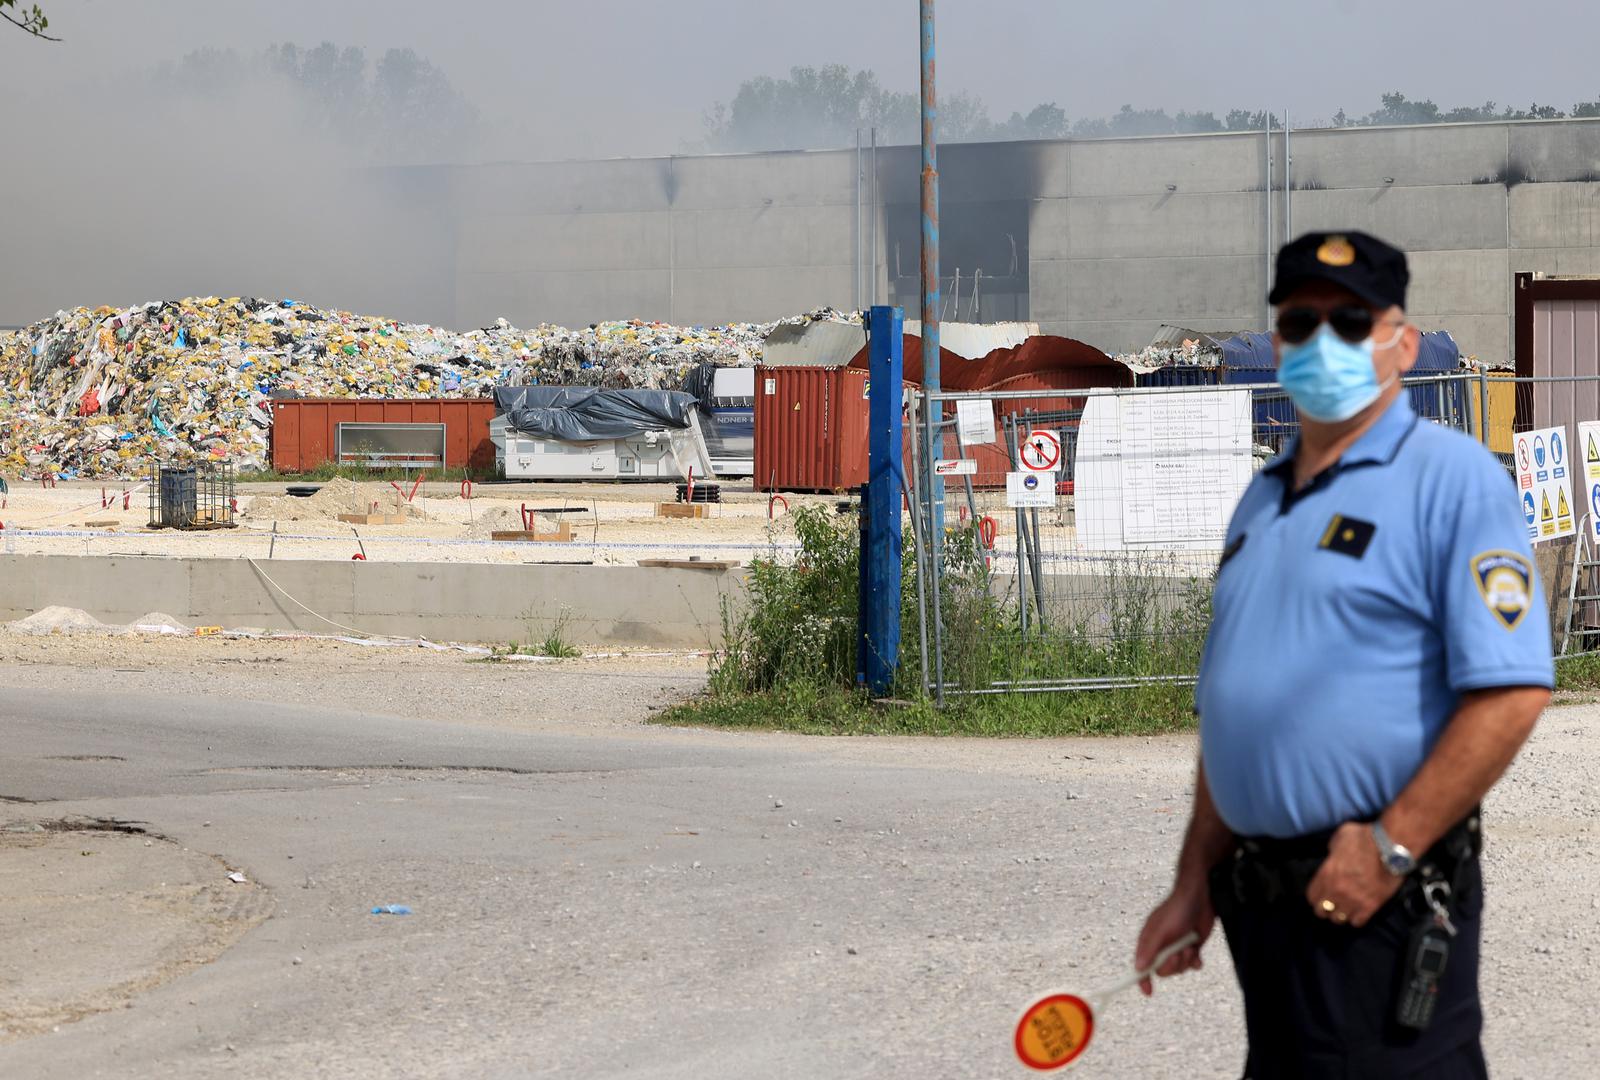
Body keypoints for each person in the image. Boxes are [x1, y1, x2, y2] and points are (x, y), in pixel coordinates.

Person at [1133, 231, 1554, 1079]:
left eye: (1350, 320)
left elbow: (1511, 692)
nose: (1323, 340)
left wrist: (1392, 848)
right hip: (1263, 907)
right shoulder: (1260, 499)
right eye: (1299, 320)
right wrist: (1192, 881)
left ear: (1400, 340)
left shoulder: (1451, 479)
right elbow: (1232, 707)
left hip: (1378, 901)